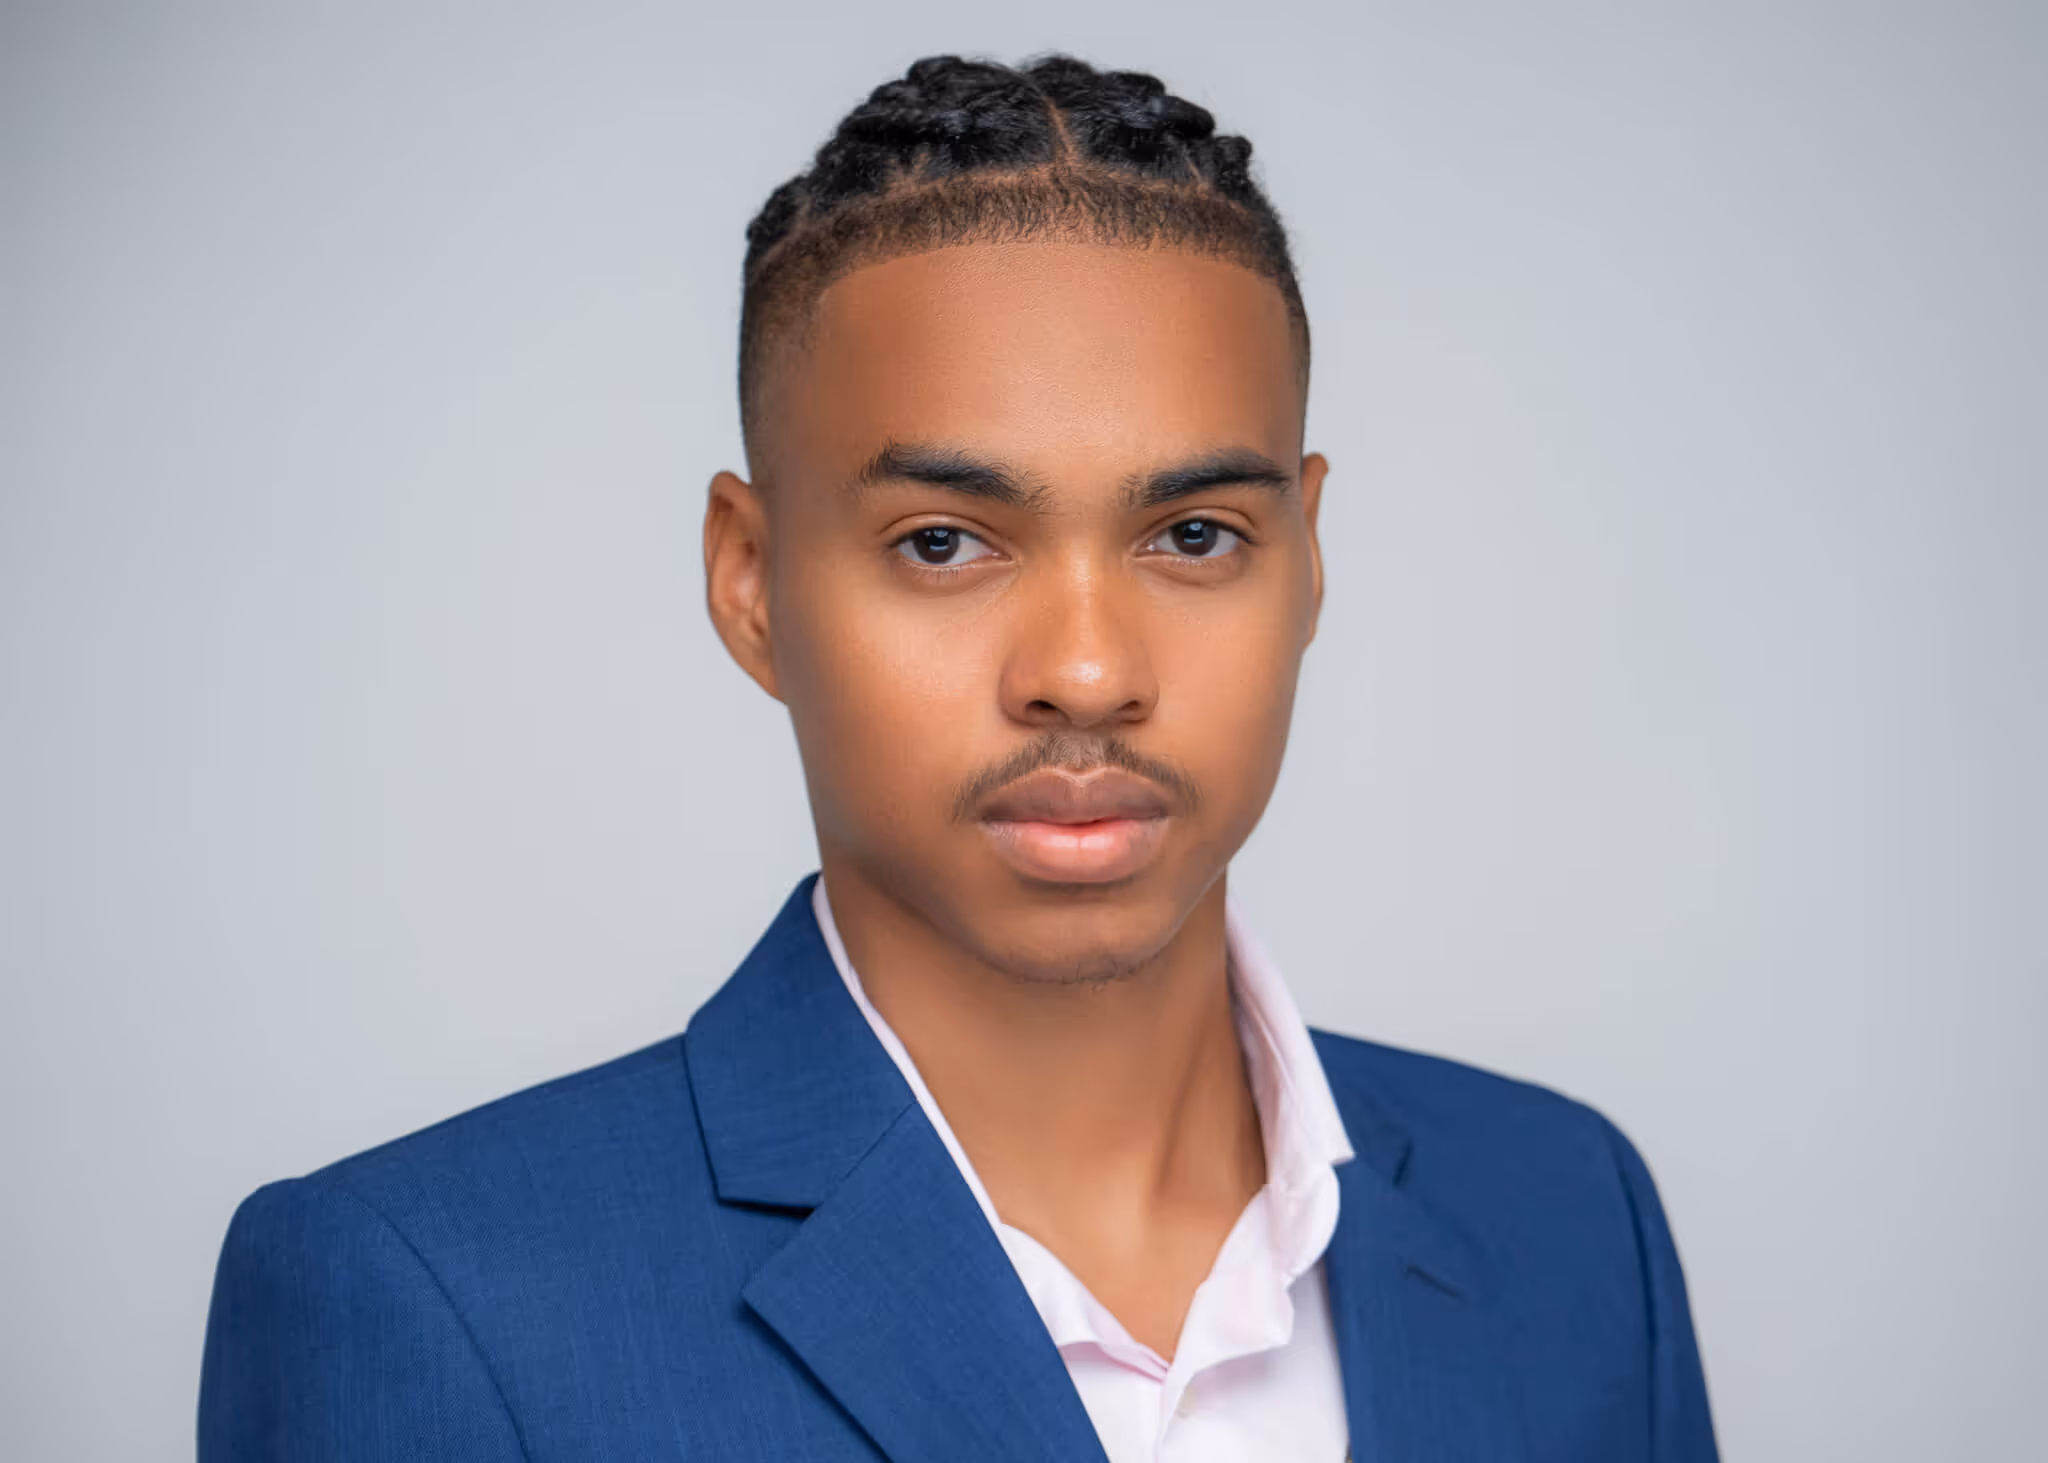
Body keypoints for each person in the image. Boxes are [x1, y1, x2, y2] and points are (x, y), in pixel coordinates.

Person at [198, 52, 1718, 1463]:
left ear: (1307, 558)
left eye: (1194, 535)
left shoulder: (1572, 1216)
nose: (1087, 673)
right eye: (943, 542)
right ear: (751, 582)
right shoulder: (431, 1300)